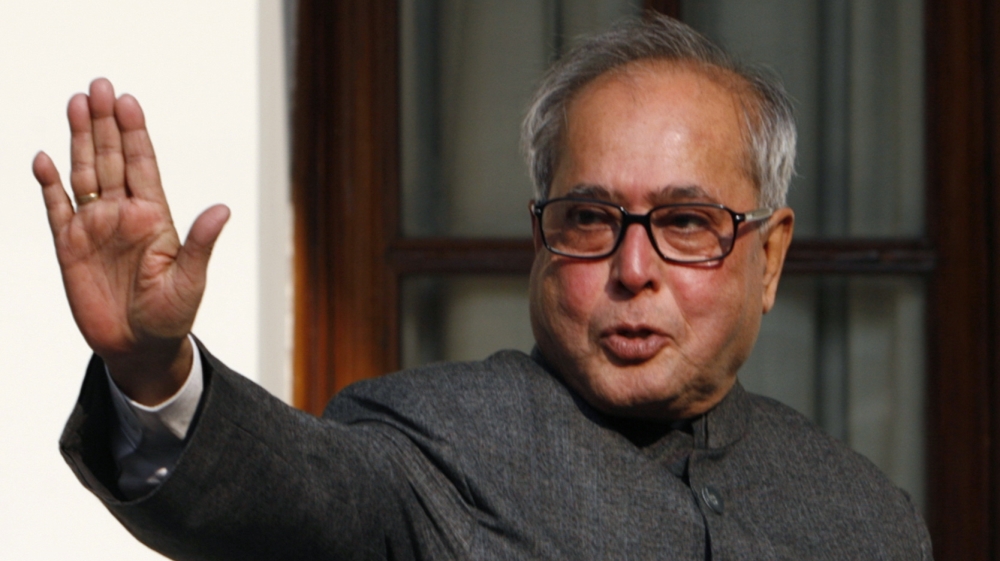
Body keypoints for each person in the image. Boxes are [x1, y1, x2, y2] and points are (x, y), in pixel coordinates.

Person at [38, 15, 931, 560]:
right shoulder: (436, 447)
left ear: (768, 258)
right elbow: (289, 496)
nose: (632, 269)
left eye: (685, 224)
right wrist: (154, 369)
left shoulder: (866, 518)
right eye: (589, 218)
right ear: (538, 237)